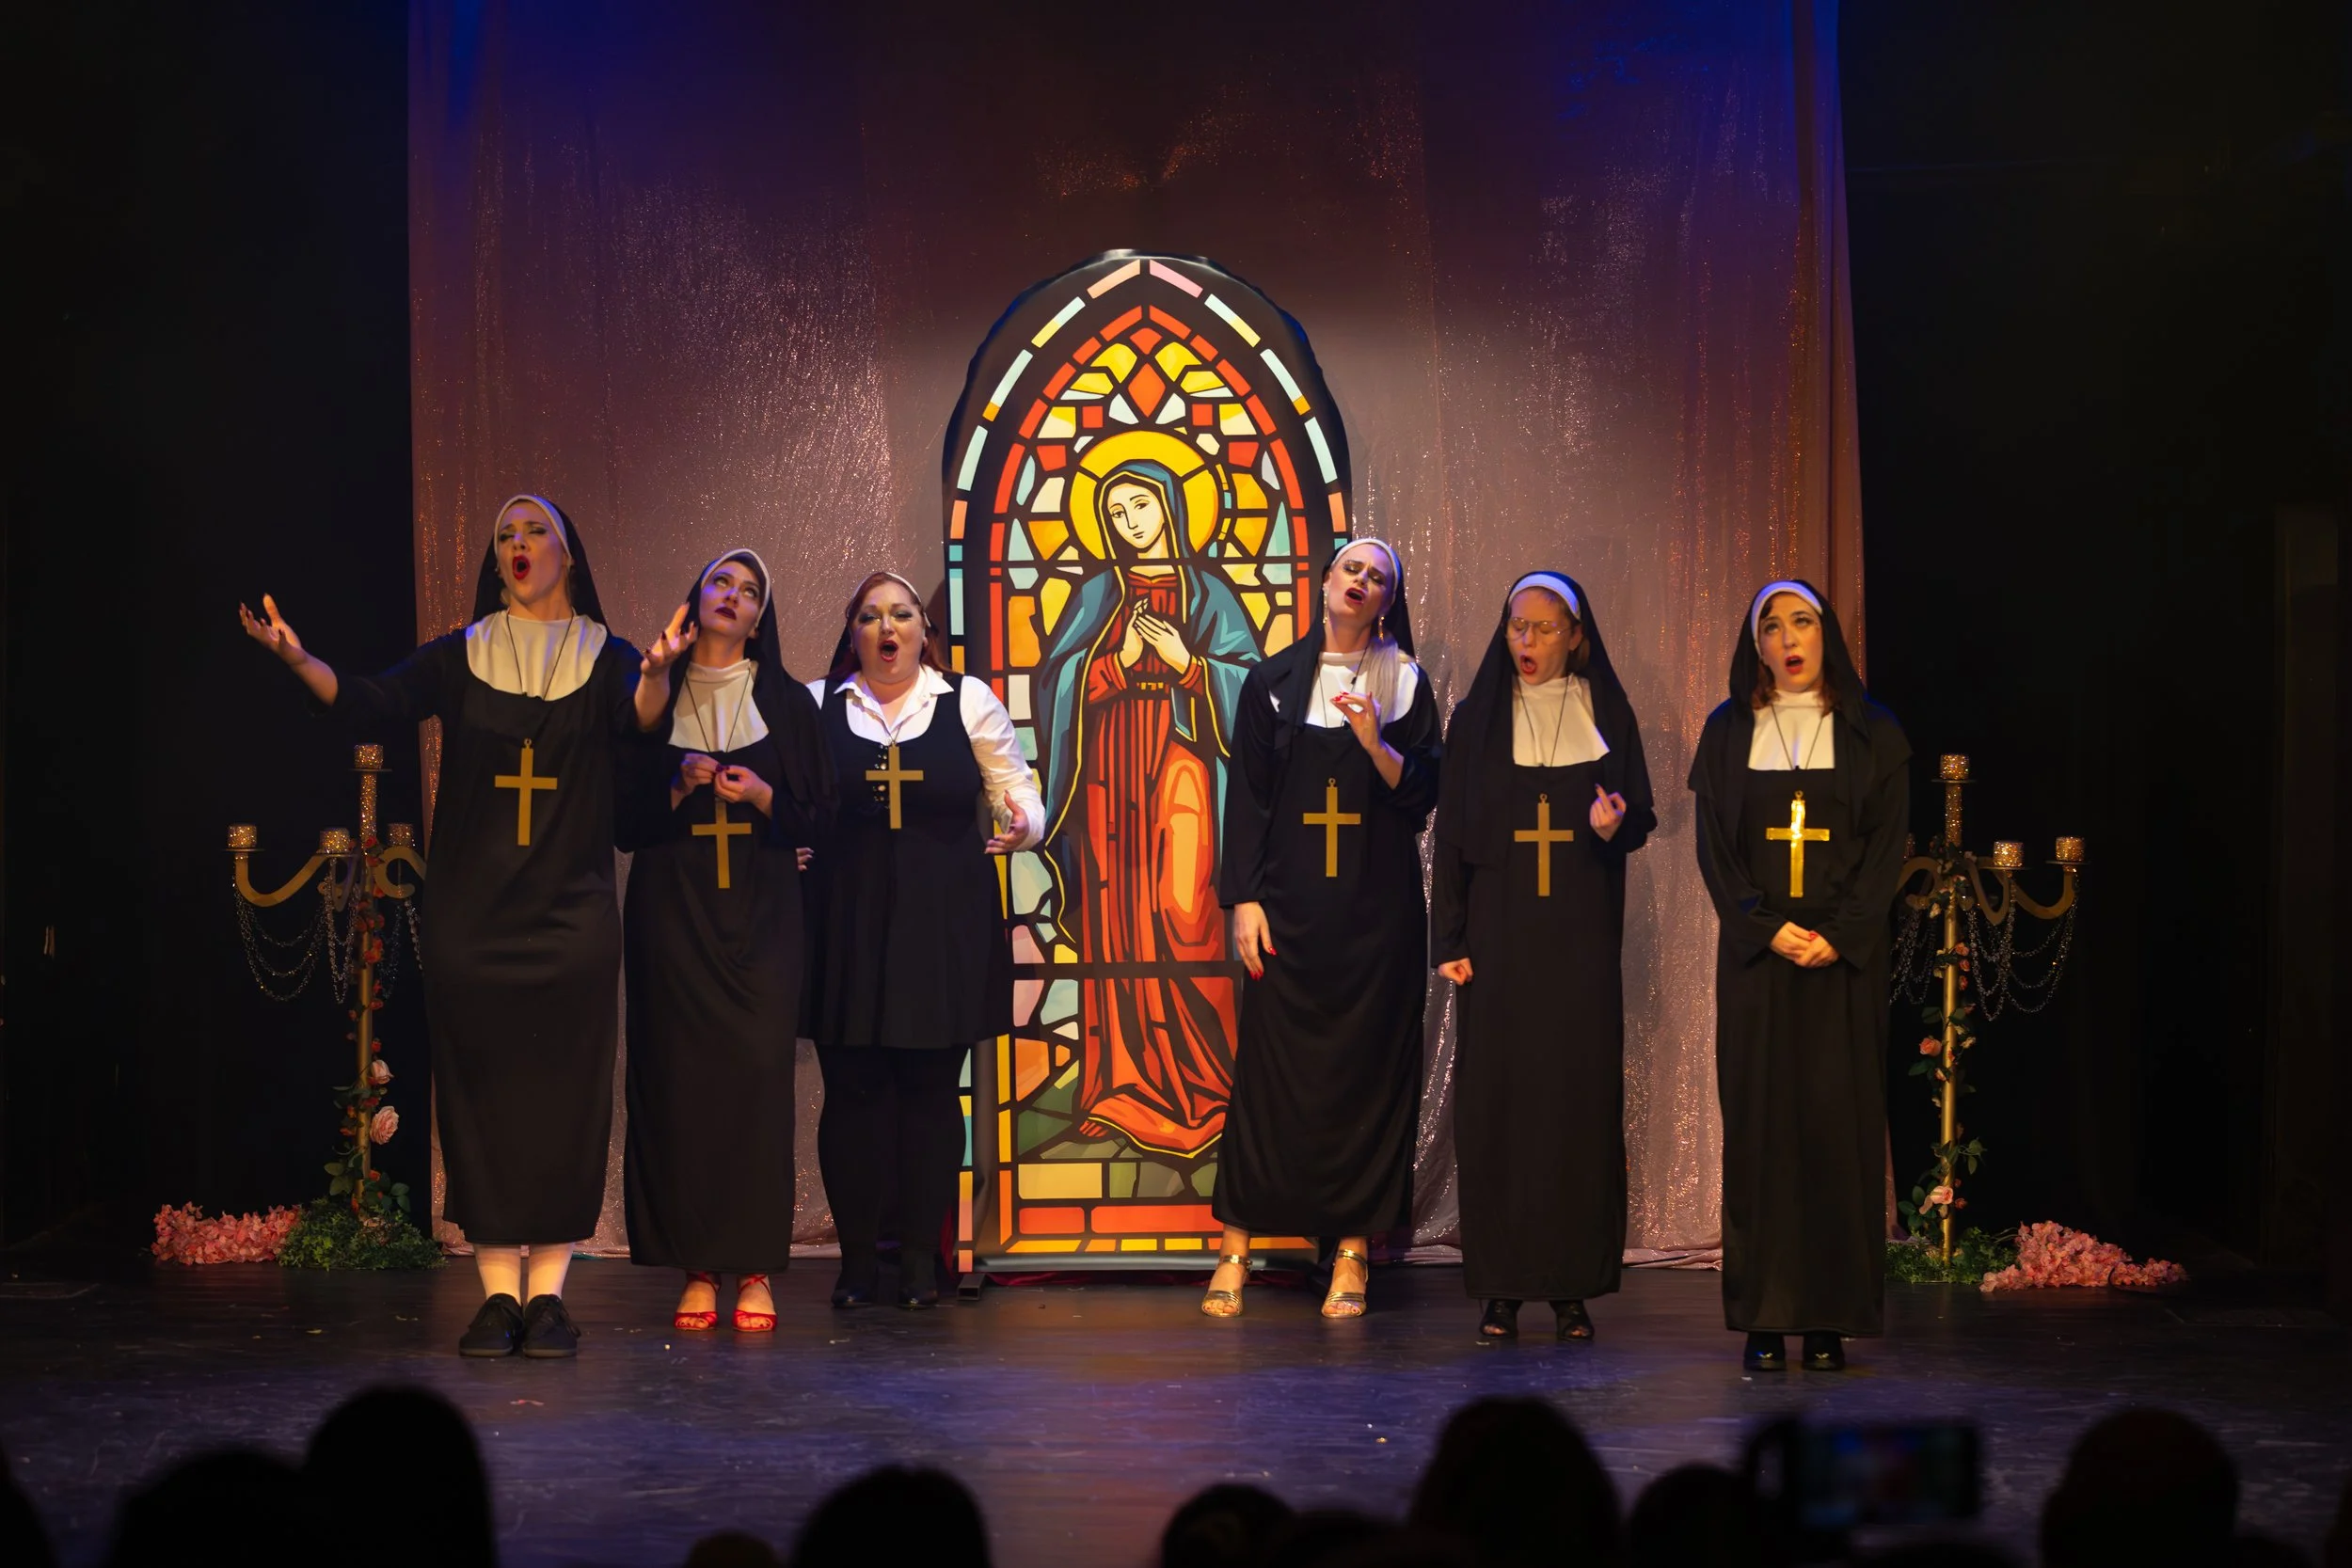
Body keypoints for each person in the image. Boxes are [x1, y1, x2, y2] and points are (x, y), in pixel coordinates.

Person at [240, 494, 693, 1357]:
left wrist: (658, 674)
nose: (519, 546)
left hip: (571, 917)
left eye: (536, 533)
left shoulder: (608, 657)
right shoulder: (463, 653)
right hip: (473, 916)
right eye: (505, 537)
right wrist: (299, 660)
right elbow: (371, 702)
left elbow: (640, 722)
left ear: (568, 552)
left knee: (565, 1094)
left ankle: (550, 1292)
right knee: (482, 1094)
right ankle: (495, 1291)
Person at [1203, 538, 1440, 1320]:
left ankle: (1350, 1252)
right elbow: (1250, 799)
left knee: (1366, 1080)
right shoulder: (1272, 681)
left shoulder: (1404, 682)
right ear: (1327, 583)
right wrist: (1244, 897)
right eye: (1351, 568)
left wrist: (1376, 742)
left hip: (1378, 923)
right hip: (1289, 913)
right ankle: (1234, 1247)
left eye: (1378, 577)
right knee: (1270, 1075)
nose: (1361, 582)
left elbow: (1420, 802)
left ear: (1386, 600)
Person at [802, 571, 1042, 1309]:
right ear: (853, 632)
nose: (887, 627)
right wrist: (786, 842)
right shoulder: (817, 704)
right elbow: (785, 796)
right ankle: (855, 1264)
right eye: (871, 615)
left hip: (941, 920)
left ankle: (914, 1264)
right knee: (853, 1092)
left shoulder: (965, 699)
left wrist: (1020, 822)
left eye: (901, 614)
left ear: (922, 631)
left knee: (930, 1091)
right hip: (846, 919)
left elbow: (1020, 788)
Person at [1688, 579, 1909, 1371]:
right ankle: (1763, 1315)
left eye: (1803, 623)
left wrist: (1840, 934)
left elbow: (1886, 852)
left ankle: (1827, 1317)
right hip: (1759, 961)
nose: (1788, 638)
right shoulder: (1726, 732)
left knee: (1835, 1129)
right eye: (1773, 626)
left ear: (1826, 635)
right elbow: (1716, 848)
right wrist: (1765, 924)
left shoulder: (1873, 732)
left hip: (1841, 964)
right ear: (1757, 644)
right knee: (1760, 1129)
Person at [1432, 571, 1654, 1344]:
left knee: (1573, 1105)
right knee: (1499, 1105)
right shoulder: (1477, 720)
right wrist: (1449, 938)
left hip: (1578, 942)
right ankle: (1499, 1285)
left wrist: (1610, 822)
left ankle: (1569, 1287)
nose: (1525, 642)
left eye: (1542, 628)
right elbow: (1453, 841)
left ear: (1576, 635)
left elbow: (1635, 819)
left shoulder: (1604, 711)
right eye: (1515, 627)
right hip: (1497, 941)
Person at [619, 550, 831, 1334]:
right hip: (672, 916)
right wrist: (677, 785)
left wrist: (765, 795)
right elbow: (621, 820)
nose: (732, 597)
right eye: (719, 583)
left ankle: (758, 1269)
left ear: (760, 615)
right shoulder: (654, 692)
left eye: (749, 592)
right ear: (696, 595)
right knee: (681, 1086)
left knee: (756, 1084)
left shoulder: (787, 701)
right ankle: (700, 1267)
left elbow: (823, 818)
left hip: (763, 916)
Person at [1034, 458, 1260, 1156]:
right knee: (1117, 922)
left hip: (1183, 771)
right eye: (1116, 512)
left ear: (1170, 507)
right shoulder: (1099, 591)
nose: (1129, 523)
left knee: (1186, 912)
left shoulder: (1209, 592)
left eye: (1140, 506)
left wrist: (1191, 666)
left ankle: (1211, 1084)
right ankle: (1117, 1086)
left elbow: (1253, 690)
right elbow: (1054, 684)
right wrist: (1116, 662)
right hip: (1106, 781)